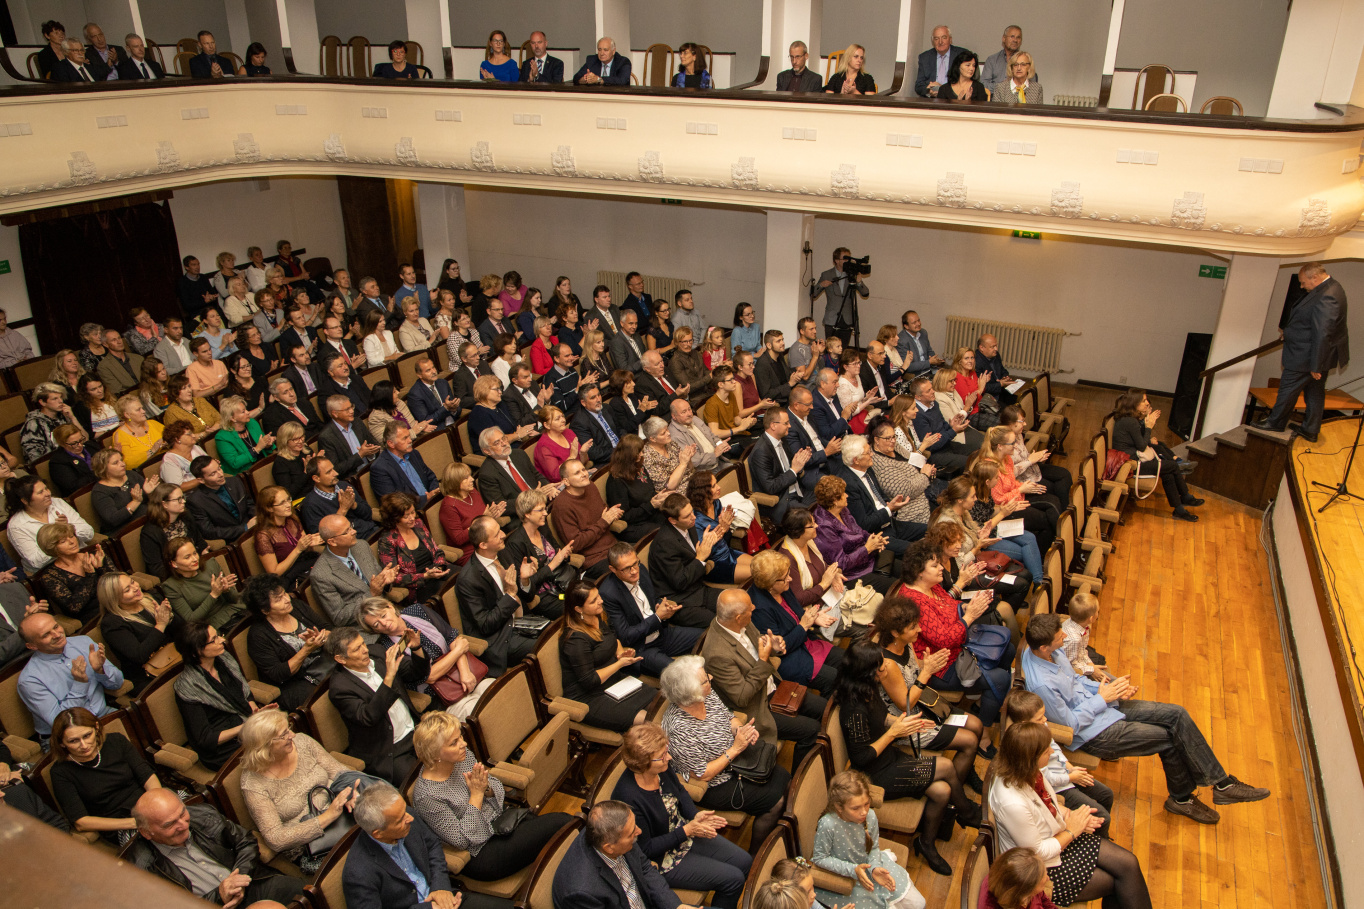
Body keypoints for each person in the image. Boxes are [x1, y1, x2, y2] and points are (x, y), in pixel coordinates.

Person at [1022, 613, 1270, 824]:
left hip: (1103, 705)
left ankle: (1222, 784)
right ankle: (1184, 798)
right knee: (1170, 739)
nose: (1065, 636)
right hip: (1093, 732)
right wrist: (1102, 699)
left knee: (1177, 714)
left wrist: (1110, 688)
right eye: (1060, 637)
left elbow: (1075, 681)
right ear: (1044, 647)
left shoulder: (1052, 652)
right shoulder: (1043, 683)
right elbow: (1070, 725)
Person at [831, 638, 979, 875]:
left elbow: (881, 718)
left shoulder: (867, 689)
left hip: (889, 757)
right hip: (875, 774)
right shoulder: (853, 708)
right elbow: (861, 758)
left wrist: (906, 723)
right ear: (867, 671)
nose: (885, 668)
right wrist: (894, 733)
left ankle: (926, 843)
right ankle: (967, 813)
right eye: (880, 666)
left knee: (942, 791)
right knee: (946, 767)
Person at [988, 722, 1151, 908]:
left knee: (1129, 863)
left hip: (1057, 839)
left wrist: (1071, 816)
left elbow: (1047, 805)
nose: (1051, 752)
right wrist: (1072, 830)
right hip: (1041, 869)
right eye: (1046, 751)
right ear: (1030, 758)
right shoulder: (1012, 802)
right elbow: (1037, 853)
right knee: (1116, 882)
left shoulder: (1026, 772)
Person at [413, 712, 573, 880]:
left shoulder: (462, 757)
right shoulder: (427, 796)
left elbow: (494, 785)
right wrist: (476, 795)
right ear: (435, 754)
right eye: (454, 743)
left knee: (559, 840)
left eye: (460, 737)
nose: (463, 744)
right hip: (482, 851)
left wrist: (486, 788)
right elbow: (461, 840)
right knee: (563, 822)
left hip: (502, 822)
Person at [659, 655, 791, 854]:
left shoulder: (706, 695)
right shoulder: (679, 729)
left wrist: (740, 730)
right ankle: (758, 856)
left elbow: (728, 717)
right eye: (706, 679)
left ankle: (782, 836)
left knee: (784, 777)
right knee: (776, 801)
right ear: (691, 693)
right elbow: (702, 774)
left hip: (736, 760)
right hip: (715, 784)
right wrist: (735, 749)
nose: (711, 678)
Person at [614, 723, 753, 909]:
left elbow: (680, 791)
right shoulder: (628, 798)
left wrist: (695, 816)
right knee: (733, 879)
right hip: (663, 858)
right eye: (662, 755)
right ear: (643, 764)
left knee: (745, 862)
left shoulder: (661, 768)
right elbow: (645, 849)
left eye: (666, 750)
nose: (669, 757)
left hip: (685, 831)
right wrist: (687, 830)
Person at [899, 539, 1014, 744]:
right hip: (939, 664)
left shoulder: (931, 586)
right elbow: (944, 640)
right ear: (919, 572)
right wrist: (969, 617)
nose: (941, 568)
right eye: (934, 565)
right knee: (1001, 679)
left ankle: (984, 699)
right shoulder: (914, 602)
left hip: (958, 645)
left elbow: (949, 604)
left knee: (1009, 649)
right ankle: (984, 732)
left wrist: (966, 607)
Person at [128, 789, 307, 905]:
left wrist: (239, 879)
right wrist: (219, 895)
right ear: (146, 832)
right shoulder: (141, 869)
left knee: (306, 891)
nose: (183, 825)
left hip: (250, 883)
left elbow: (246, 841)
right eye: (170, 824)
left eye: (182, 813)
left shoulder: (203, 815)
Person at [238, 709, 357, 870]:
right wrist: (327, 817)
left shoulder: (302, 742)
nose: (292, 735)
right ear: (265, 745)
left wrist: (351, 793)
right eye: (284, 734)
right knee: (366, 854)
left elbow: (341, 773)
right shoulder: (253, 783)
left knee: (381, 826)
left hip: (344, 814)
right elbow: (276, 839)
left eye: (289, 728)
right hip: (312, 847)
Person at [1255, 262, 1350, 442]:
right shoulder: (1329, 287)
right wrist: (1289, 332)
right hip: (1313, 354)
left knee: (1288, 388)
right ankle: (1310, 429)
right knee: (1314, 391)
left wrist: (1316, 365)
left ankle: (1275, 423)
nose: (1301, 286)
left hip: (1306, 357)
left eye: (1303, 282)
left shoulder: (1328, 295)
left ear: (1315, 277)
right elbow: (1310, 322)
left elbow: (1323, 333)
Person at [345, 784, 477, 909]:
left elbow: (432, 846)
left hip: (444, 897)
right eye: (400, 821)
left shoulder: (402, 814)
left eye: (405, 811)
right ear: (378, 834)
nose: (410, 818)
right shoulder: (358, 873)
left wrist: (440, 887)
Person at [326, 625, 429, 783]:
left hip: (415, 729)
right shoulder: (340, 688)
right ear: (341, 659)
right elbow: (369, 717)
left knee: (452, 752)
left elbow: (415, 674)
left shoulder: (377, 652)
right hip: (390, 749)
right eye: (357, 649)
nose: (365, 650)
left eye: (363, 643)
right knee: (421, 782)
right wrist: (389, 677)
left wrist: (416, 649)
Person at [1002, 690, 1112, 837]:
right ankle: (1099, 841)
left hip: (1065, 773)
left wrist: (1070, 767)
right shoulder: (1026, 746)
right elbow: (1044, 778)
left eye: (1044, 715)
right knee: (1103, 816)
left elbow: (1054, 747)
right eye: (1040, 718)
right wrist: (1071, 778)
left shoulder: (1041, 726)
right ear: (1024, 723)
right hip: (1058, 786)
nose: (1045, 720)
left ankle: (1099, 835)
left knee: (1106, 794)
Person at [812, 769, 926, 909]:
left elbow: (874, 847)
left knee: (919, 903)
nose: (864, 812)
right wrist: (853, 869)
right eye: (855, 808)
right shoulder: (828, 824)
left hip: (869, 865)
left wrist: (875, 867)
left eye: (866, 804)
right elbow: (820, 858)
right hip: (845, 876)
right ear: (838, 807)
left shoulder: (870, 816)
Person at [49, 706, 162, 844]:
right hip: (119, 823)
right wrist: (135, 822)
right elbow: (81, 822)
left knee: (182, 815)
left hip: (148, 803)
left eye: (87, 735)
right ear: (61, 743)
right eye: (73, 741)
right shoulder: (60, 772)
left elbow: (147, 776)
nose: (84, 745)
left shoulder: (116, 741)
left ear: (96, 728)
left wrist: (156, 805)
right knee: (164, 836)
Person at [560, 581, 657, 730]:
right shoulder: (575, 639)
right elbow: (590, 680)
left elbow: (613, 638)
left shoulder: (599, 615)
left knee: (660, 703)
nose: (601, 601)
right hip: (589, 697)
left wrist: (620, 653)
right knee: (650, 721)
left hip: (614, 681)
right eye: (593, 601)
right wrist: (619, 664)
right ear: (578, 609)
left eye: (598, 596)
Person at [454, 516, 540, 675]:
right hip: (500, 638)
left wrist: (524, 580)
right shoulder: (469, 579)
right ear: (483, 545)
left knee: (562, 632)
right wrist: (510, 595)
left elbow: (527, 597)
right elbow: (485, 624)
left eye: (500, 530)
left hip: (521, 622)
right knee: (545, 646)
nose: (503, 535)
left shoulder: (503, 553)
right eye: (496, 534)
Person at [17, 613, 124, 740]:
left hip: (104, 715)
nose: (57, 635)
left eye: (56, 627)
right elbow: (61, 723)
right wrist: (80, 684)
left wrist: (100, 671)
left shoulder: (83, 642)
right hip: (68, 736)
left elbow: (118, 684)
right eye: (46, 635)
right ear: (32, 646)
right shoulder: (29, 680)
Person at [748, 549, 842, 694]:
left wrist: (814, 617)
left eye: (788, 574)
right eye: (785, 577)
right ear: (771, 584)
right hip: (792, 658)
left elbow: (797, 612)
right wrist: (803, 626)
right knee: (834, 679)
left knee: (846, 659)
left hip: (806, 643)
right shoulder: (760, 608)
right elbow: (779, 649)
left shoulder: (782, 587)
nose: (790, 579)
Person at [173, 621, 261, 769]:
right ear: (196, 651)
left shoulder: (224, 659)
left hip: (245, 723)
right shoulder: (188, 687)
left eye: (218, 635)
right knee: (273, 745)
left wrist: (254, 711)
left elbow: (244, 692)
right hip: (222, 748)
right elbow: (205, 739)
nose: (222, 640)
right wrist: (246, 726)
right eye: (214, 639)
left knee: (281, 733)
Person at [1111, 389, 1201, 521]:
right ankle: (1185, 498)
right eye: (1143, 401)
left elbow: (1141, 440)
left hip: (1135, 460)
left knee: (1168, 472)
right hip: (1130, 466)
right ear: (1134, 403)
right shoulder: (1130, 421)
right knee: (1172, 466)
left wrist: (1146, 421)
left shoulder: (1130, 419)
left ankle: (1179, 509)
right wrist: (1149, 427)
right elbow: (1142, 445)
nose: (1147, 403)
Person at [244, 574, 330, 710]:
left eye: (284, 593)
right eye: (279, 599)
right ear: (265, 610)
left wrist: (321, 637)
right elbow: (278, 674)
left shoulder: (297, 607)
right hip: (294, 684)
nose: (287, 600)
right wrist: (306, 650)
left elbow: (328, 628)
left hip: (323, 663)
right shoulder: (258, 635)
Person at [834, 434, 924, 554]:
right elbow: (864, 524)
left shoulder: (867, 469)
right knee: (920, 551)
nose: (872, 454)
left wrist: (892, 505)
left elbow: (880, 496)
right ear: (856, 460)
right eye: (868, 453)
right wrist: (889, 509)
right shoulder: (847, 484)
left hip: (890, 523)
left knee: (932, 530)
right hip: (876, 535)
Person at [97, 571, 180, 694]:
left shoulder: (149, 599)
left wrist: (170, 616)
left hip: (175, 657)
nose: (135, 587)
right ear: (115, 600)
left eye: (132, 582)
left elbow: (181, 629)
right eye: (127, 590)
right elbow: (139, 655)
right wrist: (161, 625)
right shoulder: (112, 623)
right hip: (147, 676)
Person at [310, 515, 399, 626]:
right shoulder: (321, 575)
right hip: (363, 626)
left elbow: (377, 582)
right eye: (346, 531)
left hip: (387, 610)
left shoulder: (361, 546)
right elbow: (340, 617)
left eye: (351, 526)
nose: (354, 531)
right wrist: (371, 594)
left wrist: (385, 581)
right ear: (332, 542)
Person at [7, 476, 95, 574]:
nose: (48, 493)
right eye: (40, 492)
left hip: (80, 556)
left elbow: (89, 533)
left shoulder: (58, 503)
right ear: (25, 500)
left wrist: (69, 527)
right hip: (52, 570)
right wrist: (56, 536)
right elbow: (36, 562)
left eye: (46, 488)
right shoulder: (17, 525)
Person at [551, 460, 623, 578]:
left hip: (613, 546)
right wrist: (604, 521)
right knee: (624, 572)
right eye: (577, 473)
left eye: (583, 469)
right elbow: (575, 544)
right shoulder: (562, 506)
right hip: (593, 559)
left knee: (637, 565)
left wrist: (612, 514)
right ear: (566, 481)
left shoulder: (590, 486)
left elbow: (603, 512)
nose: (584, 474)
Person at [375, 492, 451, 603]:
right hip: (417, 586)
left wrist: (438, 568)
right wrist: (425, 576)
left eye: (413, 512)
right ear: (394, 518)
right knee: (450, 593)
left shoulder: (418, 524)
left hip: (436, 571)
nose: (412, 518)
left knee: (465, 577)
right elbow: (394, 578)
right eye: (406, 516)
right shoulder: (387, 541)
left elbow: (436, 550)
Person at [35, 526, 115, 624]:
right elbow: (74, 607)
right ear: (53, 548)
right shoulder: (50, 576)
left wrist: (101, 568)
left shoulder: (95, 555)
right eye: (63, 541)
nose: (72, 542)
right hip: (93, 618)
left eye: (72, 536)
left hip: (115, 604)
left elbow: (119, 583)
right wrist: (90, 576)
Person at [747, 408, 814, 523]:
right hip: (782, 500)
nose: (790, 426)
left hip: (797, 491)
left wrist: (800, 461)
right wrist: (794, 470)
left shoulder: (783, 440)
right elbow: (770, 487)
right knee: (814, 515)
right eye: (786, 423)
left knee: (827, 499)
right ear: (773, 425)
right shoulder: (761, 451)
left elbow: (792, 467)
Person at [163, 538, 246, 627]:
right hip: (211, 625)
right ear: (174, 563)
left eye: (195, 553)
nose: (195, 559)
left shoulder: (211, 565)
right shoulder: (171, 586)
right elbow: (191, 620)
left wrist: (226, 591)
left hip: (235, 611)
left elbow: (235, 599)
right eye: (187, 557)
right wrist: (213, 595)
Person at [1000, 405, 1071, 504]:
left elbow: (1023, 455)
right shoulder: (1002, 444)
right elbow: (1008, 474)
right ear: (1011, 423)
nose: (1025, 424)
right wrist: (1030, 460)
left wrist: (1037, 457)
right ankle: (1064, 510)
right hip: (1022, 480)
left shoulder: (1018, 433)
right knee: (1053, 488)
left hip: (1032, 468)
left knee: (1065, 475)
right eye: (1022, 421)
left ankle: (1066, 510)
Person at [438, 462, 503, 565]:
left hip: (487, 541)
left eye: (470, 475)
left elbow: (483, 520)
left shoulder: (473, 492)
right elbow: (458, 539)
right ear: (455, 482)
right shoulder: (449, 506)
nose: (472, 479)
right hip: (470, 551)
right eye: (466, 478)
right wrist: (482, 520)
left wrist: (491, 517)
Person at [140, 483, 209, 580]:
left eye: (183, 497)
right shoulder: (150, 532)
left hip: (195, 566)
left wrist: (204, 552)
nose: (184, 501)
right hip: (174, 578)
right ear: (164, 504)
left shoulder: (186, 516)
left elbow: (199, 541)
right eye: (179, 499)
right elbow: (157, 569)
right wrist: (185, 573)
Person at [476, 427, 549, 519]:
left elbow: (537, 476)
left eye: (504, 438)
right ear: (487, 451)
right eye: (497, 443)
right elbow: (501, 507)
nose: (504, 443)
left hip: (542, 500)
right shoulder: (487, 474)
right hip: (522, 515)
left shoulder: (519, 454)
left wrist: (549, 488)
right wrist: (533, 498)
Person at [300, 455, 378, 539]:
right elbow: (322, 537)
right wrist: (343, 509)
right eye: (329, 472)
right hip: (351, 541)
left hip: (371, 531)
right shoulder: (310, 505)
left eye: (333, 469)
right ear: (316, 478)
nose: (336, 473)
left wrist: (354, 505)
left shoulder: (344, 486)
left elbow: (368, 514)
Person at [909, 376, 973, 477]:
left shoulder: (934, 404)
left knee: (977, 452)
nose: (933, 391)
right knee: (970, 462)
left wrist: (951, 426)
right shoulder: (918, 415)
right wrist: (953, 431)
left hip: (946, 444)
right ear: (918, 397)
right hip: (934, 454)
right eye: (928, 391)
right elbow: (932, 445)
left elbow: (942, 424)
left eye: (932, 388)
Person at [186, 456, 258, 541]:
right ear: (201, 480)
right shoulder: (196, 501)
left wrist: (257, 518)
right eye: (213, 474)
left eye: (219, 469)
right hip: (233, 539)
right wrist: (244, 528)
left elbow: (249, 504)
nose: (220, 474)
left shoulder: (235, 481)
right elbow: (209, 531)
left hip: (254, 527)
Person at [371, 424, 439, 510]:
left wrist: (434, 493)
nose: (410, 440)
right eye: (405, 438)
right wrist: (426, 498)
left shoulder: (414, 454)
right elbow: (393, 503)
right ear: (391, 443)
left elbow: (431, 477)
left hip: (432, 503)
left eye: (409, 436)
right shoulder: (380, 468)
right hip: (411, 512)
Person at [812, 249, 869, 347]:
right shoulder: (827, 274)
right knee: (831, 348)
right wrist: (821, 285)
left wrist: (859, 282)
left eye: (849, 259)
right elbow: (814, 294)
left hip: (847, 319)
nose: (848, 261)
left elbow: (865, 293)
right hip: (832, 318)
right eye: (845, 259)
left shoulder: (852, 274)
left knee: (843, 349)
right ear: (836, 260)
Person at [319, 395, 381, 480]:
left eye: (352, 407)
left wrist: (371, 454)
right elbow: (335, 469)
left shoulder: (357, 422)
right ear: (335, 413)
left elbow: (375, 445)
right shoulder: (326, 437)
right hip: (352, 480)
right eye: (347, 409)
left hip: (373, 470)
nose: (352, 411)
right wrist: (360, 455)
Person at [21, 382, 80, 464]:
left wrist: (73, 418)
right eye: (54, 399)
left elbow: (84, 439)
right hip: (56, 463)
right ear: (42, 402)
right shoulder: (34, 424)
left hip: (74, 457)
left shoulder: (64, 415)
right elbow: (36, 458)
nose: (61, 401)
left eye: (60, 397)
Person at [366, 380, 431, 449]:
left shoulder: (399, 403)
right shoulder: (375, 418)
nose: (398, 392)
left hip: (414, 442)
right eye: (394, 392)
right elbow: (388, 442)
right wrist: (413, 432)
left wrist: (421, 428)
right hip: (396, 451)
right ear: (385, 397)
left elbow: (413, 426)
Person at [915, 25, 968, 98]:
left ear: (950, 39)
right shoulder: (925, 57)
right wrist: (928, 91)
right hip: (931, 100)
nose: (940, 42)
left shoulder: (961, 55)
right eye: (936, 39)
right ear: (933, 42)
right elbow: (918, 86)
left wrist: (943, 89)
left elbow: (967, 83)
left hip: (953, 99)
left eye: (944, 37)